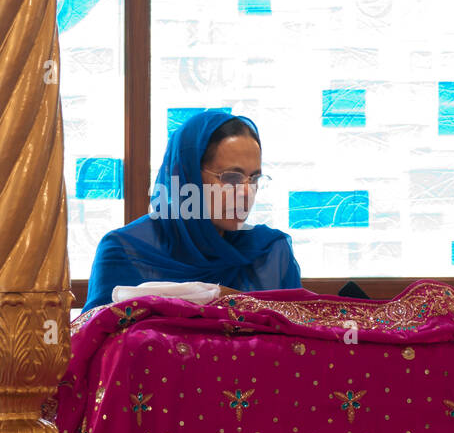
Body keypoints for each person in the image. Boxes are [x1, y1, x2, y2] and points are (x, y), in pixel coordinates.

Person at [82, 109, 301, 311]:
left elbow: (301, 346)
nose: (247, 192)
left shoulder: (270, 252)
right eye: (231, 177)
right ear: (187, 177)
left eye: (254, 178)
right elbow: (98, 345)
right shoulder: (125, 252)